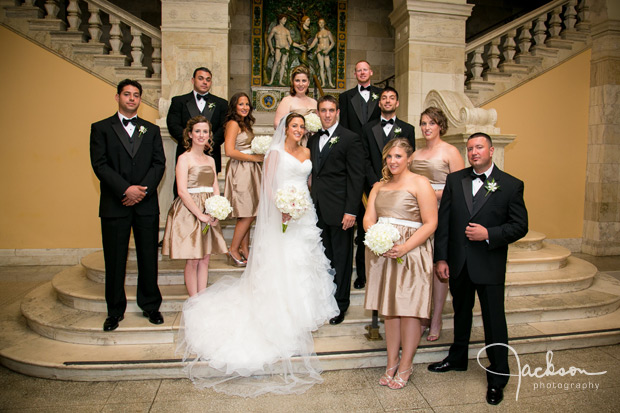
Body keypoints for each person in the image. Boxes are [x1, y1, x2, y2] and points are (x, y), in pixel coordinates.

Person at [177, 113, 339, 397]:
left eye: (302, 126)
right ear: (285, 129)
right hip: (281, 211)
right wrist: (281, 208)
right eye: (294, 126)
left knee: (305, 259)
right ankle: (282, 309)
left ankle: (303, 310)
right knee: (284, 260)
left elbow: (309, 181)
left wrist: (303, 205)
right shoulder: (275, 153)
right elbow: (267, 187)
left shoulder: (307, 150)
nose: (299, 130)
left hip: (304, 213)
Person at [428, 132, 528, 406]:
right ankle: (458, 358)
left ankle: (498, 377)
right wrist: (442, 259)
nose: (474, 152)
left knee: (494, 321)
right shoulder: (455, 179)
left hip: (489, 264)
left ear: (491, 150)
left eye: (479, 147)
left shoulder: (510, 185)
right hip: (459, 263)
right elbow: (445, 222)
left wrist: (488, 233)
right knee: (461, 313)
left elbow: (520, 226)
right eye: (470, 148)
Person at [90, 79, 165, 332]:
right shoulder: (100, 128)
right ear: (117, 97)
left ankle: (151, 306)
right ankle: (114, 311)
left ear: (140, 100)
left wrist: (141, 191)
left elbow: (159, 164)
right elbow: (100, 165)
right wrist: (126, 189)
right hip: (115, 203)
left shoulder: (151, 130)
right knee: (115, 259)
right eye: (127, 94)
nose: (132, 98)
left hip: (145, 204)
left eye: (136, 95)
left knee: (148, 257)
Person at [364, 138, 437, 389]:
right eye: (389, 157)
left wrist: (405, 247)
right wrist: (377, 239)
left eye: (398, 156)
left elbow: (430, 222)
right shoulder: (378, 186)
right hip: (383, 254)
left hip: (411, 253)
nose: (393, 161)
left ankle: (406, 364)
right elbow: (368, 219)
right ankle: (391, 362)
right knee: (390, 312)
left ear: (408, 159)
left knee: (409, 312)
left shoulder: (420, 183)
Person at [308, 95, 364, 324]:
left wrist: (351, 211)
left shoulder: (351, 139)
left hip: (341, 212)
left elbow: (356, 177)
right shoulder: (313, 140)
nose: (327, 114)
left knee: (341, 260)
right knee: (324, 259)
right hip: (317, 210)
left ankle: (341, 305)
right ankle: (325, 301)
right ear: (318, 113)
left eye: (331, 110)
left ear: (338, 112)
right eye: (323, 110)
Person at [411, 106, 465, 341]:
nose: (426, 127)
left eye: (431, 123)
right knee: (421, 266)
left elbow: (460, 186)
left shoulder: (450, 151)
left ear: (440, 125)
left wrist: (431, 193)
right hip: (417, 215)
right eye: (423, 123)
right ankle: (422, 315)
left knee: (438, 267)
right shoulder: (416, 153)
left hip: (442, 214)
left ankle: (436, 318)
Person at [162, 116, 227, 296]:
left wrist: (216, 210)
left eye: (205, 131)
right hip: (189, 211)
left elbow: (215, 187)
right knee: (193, 259)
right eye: (197, 131)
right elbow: (182, 191)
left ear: (209, 135)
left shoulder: (211, 160)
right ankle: (194, 299)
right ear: (190, 134)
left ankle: (202, 298)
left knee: (205, 258)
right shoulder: (184, 158)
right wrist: (200, 215)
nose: (201, 135)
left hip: (208, 209)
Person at [339, 61, 384, 290]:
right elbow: (344, 128)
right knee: (357, 219)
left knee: (376, 221)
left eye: (366, 69)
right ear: (354, 74)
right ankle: (360, 274)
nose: (362, 72)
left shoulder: (381, 95)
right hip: (354, 165)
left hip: (376, 166)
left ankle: (376, 269)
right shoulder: (346, 97)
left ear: (371, 72)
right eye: (358, 70)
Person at [167, 67, 228, 191]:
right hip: (186, 152)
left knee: (210, 193)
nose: (204, 82)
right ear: (192, 80)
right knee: (183, 191)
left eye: (208, 80)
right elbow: (173, 125)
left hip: (211, 154)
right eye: (201, 78)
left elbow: (224, 128)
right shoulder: (179, 101)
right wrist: (192, 143)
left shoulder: (221, 103)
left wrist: (208, 142)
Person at [223, 92, 264, 266]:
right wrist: (254, 158)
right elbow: (229, 151)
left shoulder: (244, 124)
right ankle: (233, 249)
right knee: (247, 213)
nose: (245, 107)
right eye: (241, 104)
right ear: (234, 106)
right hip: (240, 170)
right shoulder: (233, 123)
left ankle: (245, 249)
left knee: (249, 211)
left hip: (250, 170)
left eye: (247, 104)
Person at [273, 65, 317, 129]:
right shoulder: (287, 101)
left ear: (308, 83)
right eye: (297, 80)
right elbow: (277, 124)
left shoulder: (314, 102)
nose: (301, 84)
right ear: (293, 82)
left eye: (304, 81)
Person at [266, 15, 304, 86]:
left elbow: (291, 42)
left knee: (283, 64)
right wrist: (271, 48)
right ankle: (271, 80)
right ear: (280, 19)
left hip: (286, 48)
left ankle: (280, 81)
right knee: (276, 62)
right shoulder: (275, 29)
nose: (285, 21)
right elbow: (269, 38)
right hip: (278, 48)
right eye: (284, 19)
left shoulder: (286, 31)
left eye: (285, 19)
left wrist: (299, 46)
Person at [308, 18, 335, 88]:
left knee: (328, 66)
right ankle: (323, 83)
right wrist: (309, 47)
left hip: (326, 51)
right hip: (319, 51)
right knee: (321, 67)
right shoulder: (318, 34)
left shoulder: (328, 32)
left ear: (324, 23)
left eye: (322, 22)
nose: (321, 24)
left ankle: (330, 82)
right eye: (320, 23)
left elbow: (332, 43)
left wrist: (328, 50)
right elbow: (314, 42)